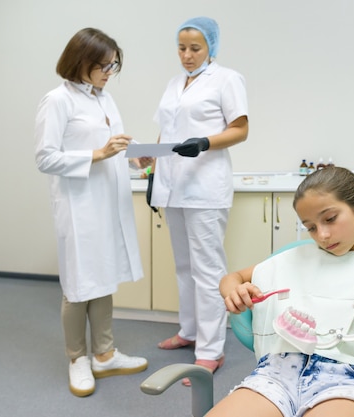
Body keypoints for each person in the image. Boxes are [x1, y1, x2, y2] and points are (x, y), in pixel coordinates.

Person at [211, 167, 354, 417]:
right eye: (311, 227)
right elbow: (233, 278)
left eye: (329, 219)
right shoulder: (295, 259)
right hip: (274, 375)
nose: (323, 236)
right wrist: (233, 290)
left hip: (348, 382)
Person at [34, 27, 151, 397]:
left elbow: (111, 149)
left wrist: (135, 158)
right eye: (103, 65)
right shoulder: (57, 100)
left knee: (103, 277)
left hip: (107, 202)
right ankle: (77, 358)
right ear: (80, 61)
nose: (109, 72)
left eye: (114, 65)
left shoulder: (104, 99)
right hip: (79, 205)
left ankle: (105, 353)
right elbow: (46, 158)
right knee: (78, 283)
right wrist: (98, 154)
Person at [150, 16, 249, 386]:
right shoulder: (175, 83)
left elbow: (240, 128)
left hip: (205, 188)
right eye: (181, 47)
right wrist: (152, 156)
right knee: (182, 266)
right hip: (172, 186)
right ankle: (189, 331)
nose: (187, 55)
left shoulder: (227, 79)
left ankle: (210, 351)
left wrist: (205, 142)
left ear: (211, 47)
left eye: (195, 48)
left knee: (208, 272)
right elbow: (168, 129)